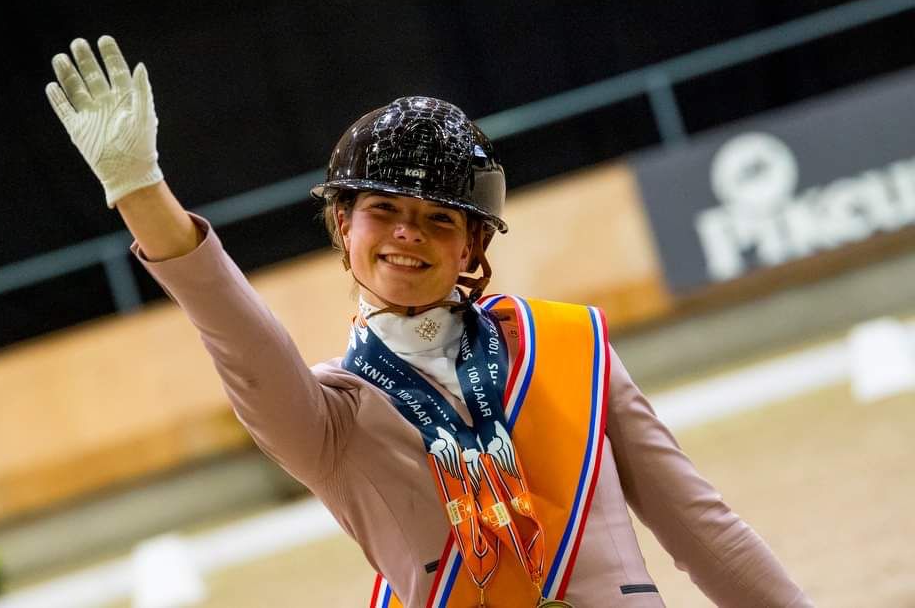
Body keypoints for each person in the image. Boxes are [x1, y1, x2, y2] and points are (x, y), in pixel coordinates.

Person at [45, 36, 813, 608]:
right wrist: (142, 190)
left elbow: (703, 530)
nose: (408, 233)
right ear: (344, 226)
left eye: (438, 219)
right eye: (383, 210)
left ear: (473, 243)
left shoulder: (570, 349)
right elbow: (240, 337)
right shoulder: (328, 419)